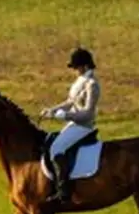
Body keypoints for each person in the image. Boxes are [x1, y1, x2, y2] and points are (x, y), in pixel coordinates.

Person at [39, 47, 101, 204]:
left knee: (56, 149)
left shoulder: (92, 85)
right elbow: (70, 102)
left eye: (77, 67)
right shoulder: (80, 81)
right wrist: (52, 110)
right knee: (51, 142)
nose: (75, 70)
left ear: (85, 66)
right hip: (73, 123)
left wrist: (66, 115)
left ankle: (64, 191)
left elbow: (88, 113)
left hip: (83, 126)